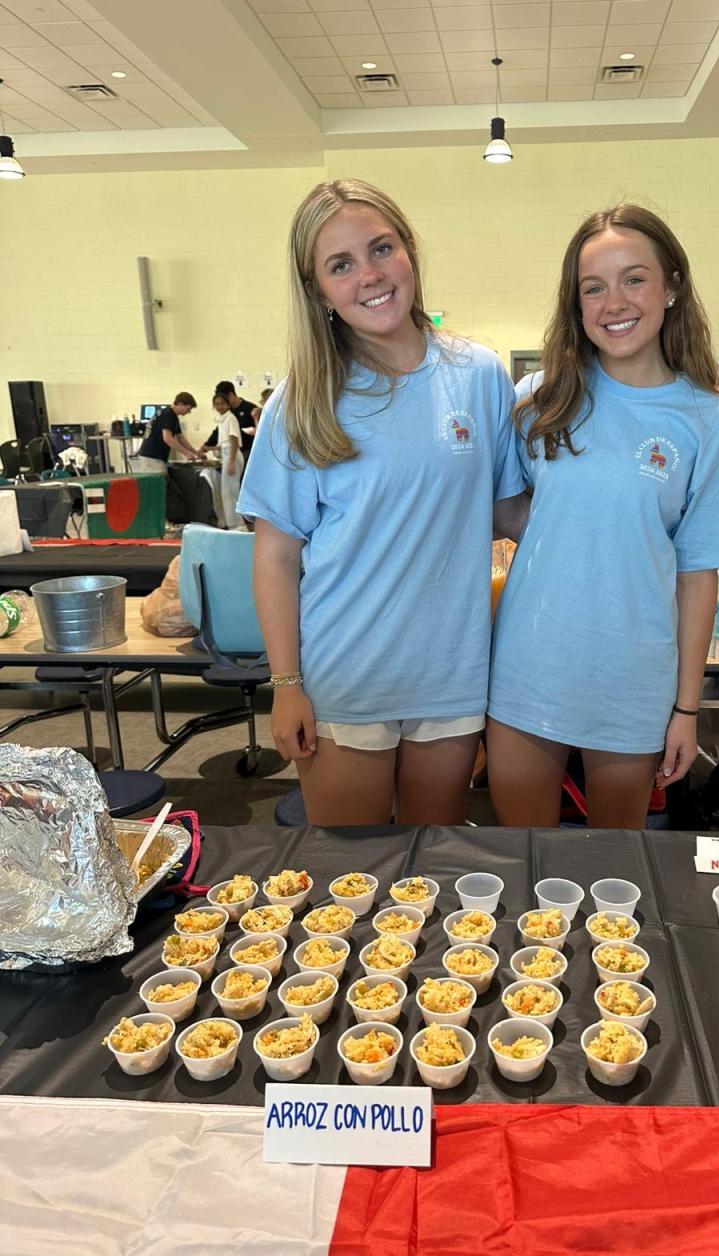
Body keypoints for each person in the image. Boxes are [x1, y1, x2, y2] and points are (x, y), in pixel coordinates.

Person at [237, 178, 526, 827]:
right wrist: (285, 686)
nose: (369, 275)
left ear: (409, 250)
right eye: (340, 265)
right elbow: (276, 557)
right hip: (346, 678)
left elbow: (510, 513)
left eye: (380, 248)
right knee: (350, 871)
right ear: (318, 290)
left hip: (451, 672)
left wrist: (621, 529)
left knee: (433, 861)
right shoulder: (304, 400)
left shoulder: (478, 375)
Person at [487, 205, 719, 830]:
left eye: (634, 279)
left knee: (613, 867)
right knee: (521, 857)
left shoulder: (710, 422)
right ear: (576, 303)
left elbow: (697, 575)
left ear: (672, 286)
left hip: (633, 677)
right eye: (593, 287)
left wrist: (686, 710)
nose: (614, 302)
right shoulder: (541, 399)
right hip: (528, 667)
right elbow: (511, 511)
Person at [132, 392, 203, 474]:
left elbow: (181, 439)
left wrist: (195, 452)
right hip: (152, 456)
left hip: (154, 455)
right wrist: (186, 453)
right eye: (188, 409)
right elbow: (168, 438)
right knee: (159, 480)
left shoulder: (173, 417)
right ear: (180, 404)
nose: (189, 412)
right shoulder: (168, 414)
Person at [203, 392, 245, 529]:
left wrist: (231, 462)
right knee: (226, 491)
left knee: (231, 490)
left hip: (232, 456)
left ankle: (237, 523)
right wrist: (209, 448)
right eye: (217, 404)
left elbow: (234, 440)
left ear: (228, 405)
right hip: (226, 454)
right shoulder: (222, 420)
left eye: (222, 404)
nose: (220, 407)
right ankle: (230, 521)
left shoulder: (231, 418)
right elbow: (224, 443)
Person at [215, 380, 258, 463]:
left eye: (224, 401)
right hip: (232, 451)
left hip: (249, 451)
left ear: (231, 395)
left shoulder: (250, 408)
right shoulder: (227, 412)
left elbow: (261, 429)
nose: (222, 406)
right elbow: (218, 431)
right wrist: (206, 446)